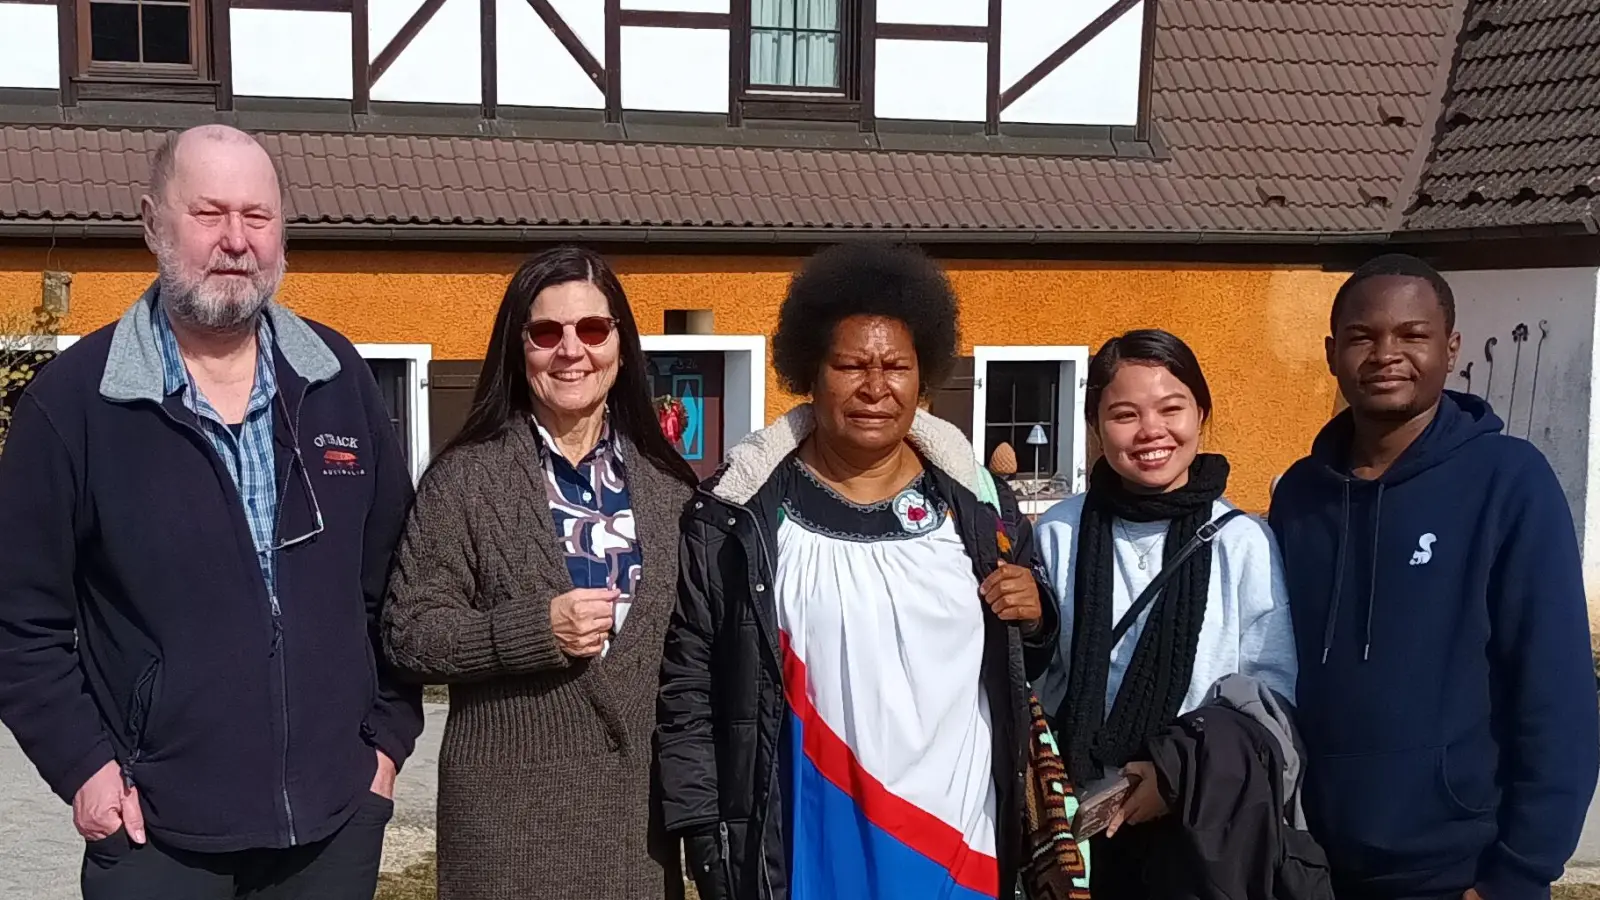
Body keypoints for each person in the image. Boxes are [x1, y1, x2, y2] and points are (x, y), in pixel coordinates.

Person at [0, 124, 424, 898]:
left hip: (331, 826)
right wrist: (84, 768)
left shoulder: (337, 381)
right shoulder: (74, 405)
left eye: (257, 217)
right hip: (153, 831)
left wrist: (385, 749)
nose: (236, 240)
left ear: (282, 233)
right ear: (152, 223)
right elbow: (21, 622)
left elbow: (396, 584)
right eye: (208, 213)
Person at [657, 242, 1060, 900]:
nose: (875, 387)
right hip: (806, 841)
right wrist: (706, 835)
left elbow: (1028, 663)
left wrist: (1039, 615)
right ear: (809, 377)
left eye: (896, 366)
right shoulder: (741, 516)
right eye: (849, 365)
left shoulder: (982, 506)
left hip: (957, 844)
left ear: (922, 379)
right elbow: (691, 686)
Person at [1269, 253, 1600, 900]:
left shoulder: (1509, 482)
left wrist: (1517, 875)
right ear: (1333, 352)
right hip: (1312, 864)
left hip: (1457, 870)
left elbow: (1556, 696)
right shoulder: (1300, 496)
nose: (1386, 354)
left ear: (1451, 349)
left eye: (1412, 335)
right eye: (1363, 337)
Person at [381, 246, 698, 900]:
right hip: (505, 830)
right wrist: (531, 631)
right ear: (518, 348)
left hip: (635, 830)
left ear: (620, 343)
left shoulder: (670, 487)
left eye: (592, 330)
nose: (571, 351)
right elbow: (407, 634)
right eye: (547, 332)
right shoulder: (465, 480)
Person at [1031, 328, 1298, 897]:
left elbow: (1271, 692)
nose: (1151, 431)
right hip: (1079, 818)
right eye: (1124, 413)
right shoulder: (1060, 530)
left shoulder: (1242, 541)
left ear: (1201, 412)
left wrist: (1174, 773)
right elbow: (1044, 677)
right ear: (1096, 427)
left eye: (1171, 408)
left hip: (1194, 819)